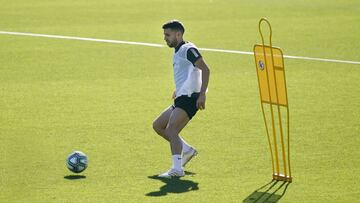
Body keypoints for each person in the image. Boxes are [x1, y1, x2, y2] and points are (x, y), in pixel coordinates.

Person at [152, 20, 210, 178]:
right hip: (182, 97)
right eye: (164, 35)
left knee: (171, 130)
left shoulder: (188, 49)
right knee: (158, 125)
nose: (165, 38)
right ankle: (187, 150)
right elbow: (188, 72)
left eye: (168, 35)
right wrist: (178, 89)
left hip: (191, 98)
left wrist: (202, 94)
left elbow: (205, 69)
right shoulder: (178, 50)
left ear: (178, 34)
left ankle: (177, 169)